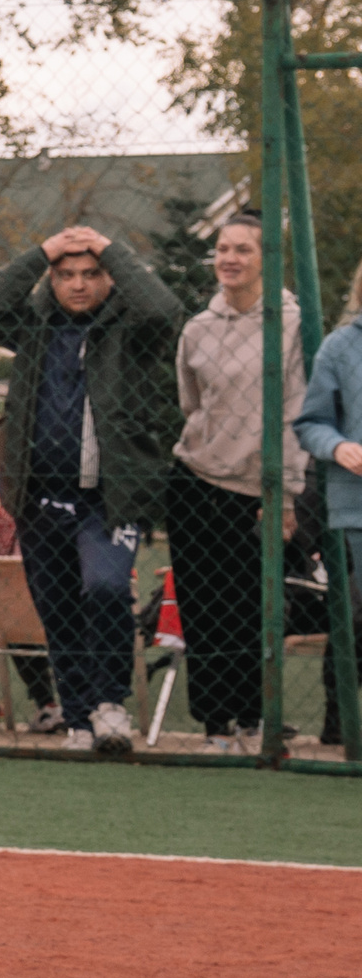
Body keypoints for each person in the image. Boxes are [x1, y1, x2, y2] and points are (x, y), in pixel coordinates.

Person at [0, 224, 184, 755]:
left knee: (106, 589)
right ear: (51, 280)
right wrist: (40, 251)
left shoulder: (131, 329)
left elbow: (164, 310)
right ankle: (81, 718)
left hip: (106, 502)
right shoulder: (33, 325)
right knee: (59, 609)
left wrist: (115, 247)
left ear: (109, 278)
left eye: (91, 274)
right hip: (40, 499)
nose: (79, 285)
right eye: (65, 275)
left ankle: (111, 705)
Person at [169, 215, 306, 753]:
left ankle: (255, 719)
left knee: (251, 606)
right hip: (196, 480)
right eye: (223, 249)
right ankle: (215, 726)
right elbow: (190, 401)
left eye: (244, 250)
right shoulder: (199, 328)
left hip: (261, 488)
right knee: (201, 607)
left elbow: (297, 411)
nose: (230, 259)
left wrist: (288, 493)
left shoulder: (293, 325)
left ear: (267, 260)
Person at [295, 264, 362, 647]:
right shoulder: (339, 347)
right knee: (354, 627)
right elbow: (311, 424)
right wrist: (338, 446)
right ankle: (339, 709)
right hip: (354, 512)